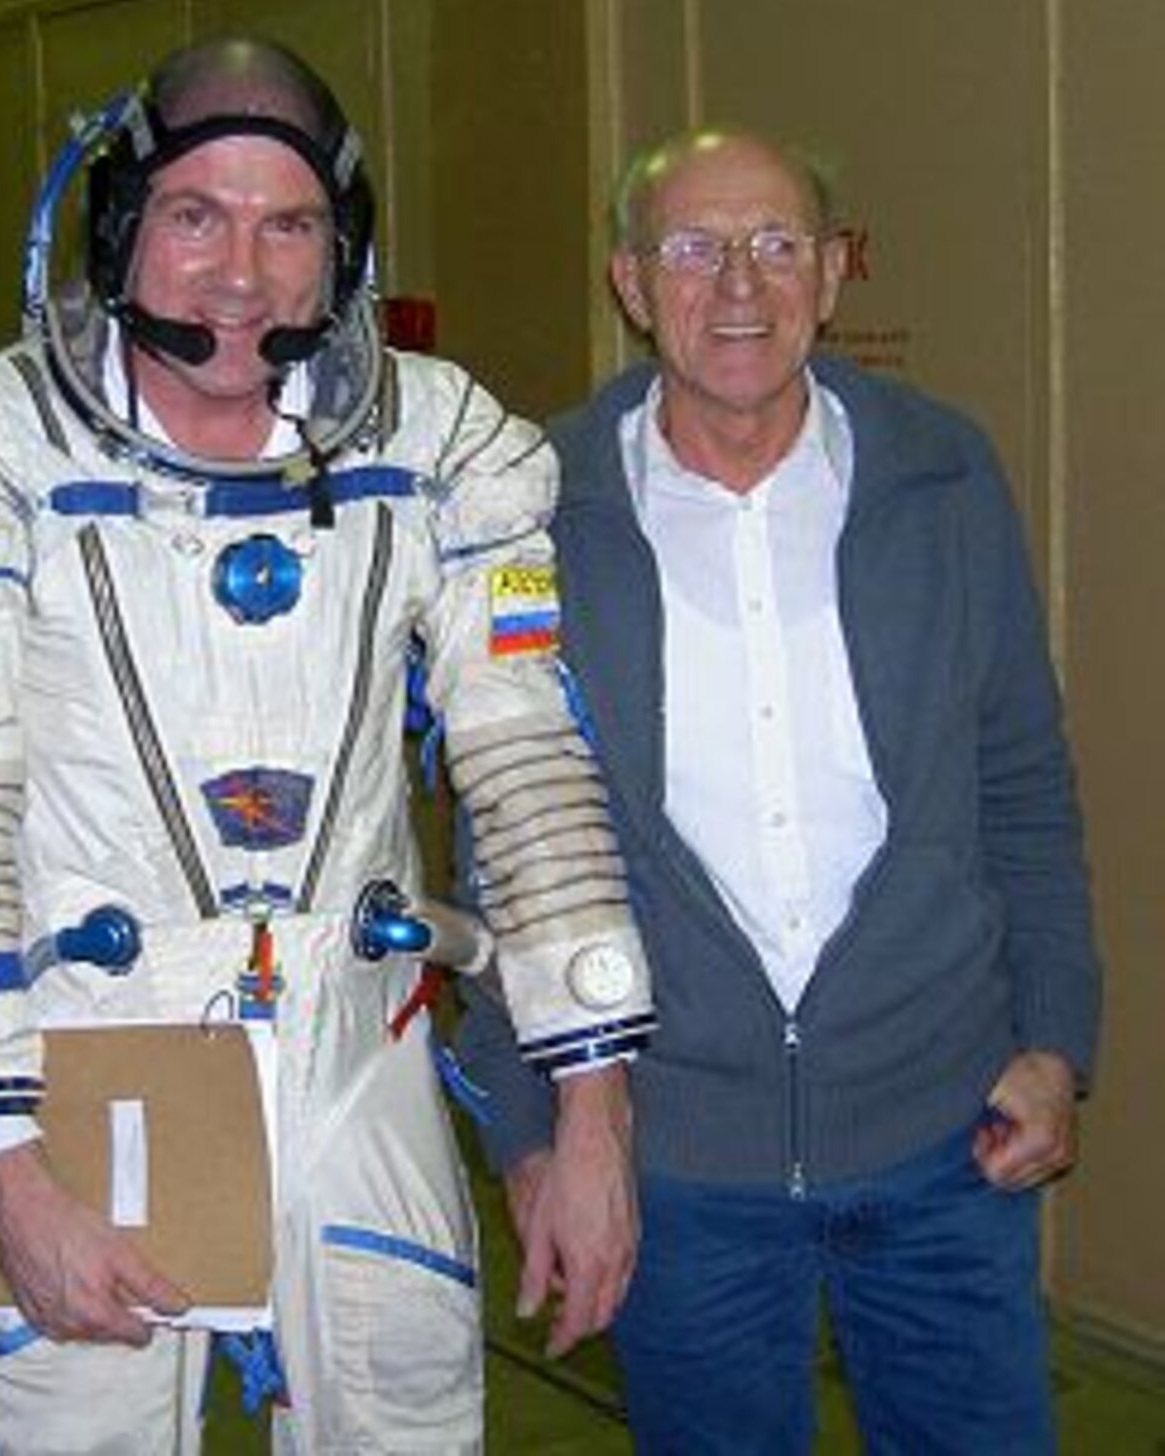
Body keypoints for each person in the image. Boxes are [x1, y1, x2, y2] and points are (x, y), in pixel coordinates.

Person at [0, 35, 655, 1454]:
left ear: (343, 258)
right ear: (119, 233)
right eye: (196, 216)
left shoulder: (444, 447)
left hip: (357, 1056)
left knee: (407, 1414)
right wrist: (1, 1178)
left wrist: (596, 1121)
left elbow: (531, 776)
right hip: (76, 1074)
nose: (241, 270)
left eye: (290, 227)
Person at [457, 126, 1102, 1455]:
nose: (738, 286)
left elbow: (1023, 785)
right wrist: (533, 1136)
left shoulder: (942, 474)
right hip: (677, 1158)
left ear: (836, 270)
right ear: (631, 281)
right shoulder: (534, 508)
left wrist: (1052, 1043)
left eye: (778, 245)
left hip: (946, 1132)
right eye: (694, 248)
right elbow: (501, 844)